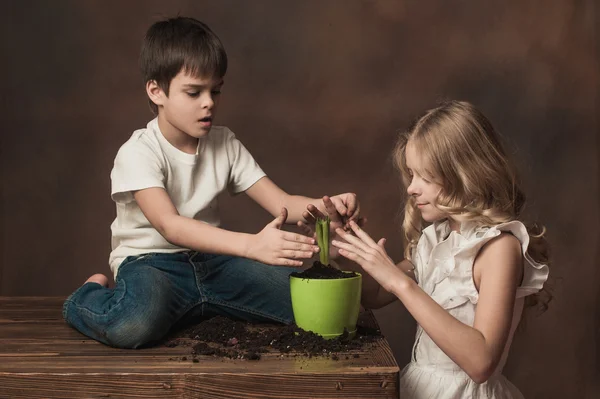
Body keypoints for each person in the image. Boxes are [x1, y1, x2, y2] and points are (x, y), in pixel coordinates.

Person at [62, 16, 359, 349]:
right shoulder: (138, 151)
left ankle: (196, 303)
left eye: (215, 90)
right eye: (194, 92)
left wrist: (323, 207)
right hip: (152, 264)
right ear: (156, 91)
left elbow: (282, 202)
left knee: (309, 309)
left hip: (213, 262)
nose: (209, 103)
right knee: (132, 325)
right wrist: (251, 246)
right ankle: (87, 296)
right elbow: (170, 225)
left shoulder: (224, 143)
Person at [329, 100, 550, 398]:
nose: (411, 188)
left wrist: (400, 282)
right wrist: (341, 247)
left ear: (465, 173)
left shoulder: (500, 247)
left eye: (425, 176)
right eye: (411, 174)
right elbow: (374, 294)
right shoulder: (437, 239)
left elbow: (481, 362)